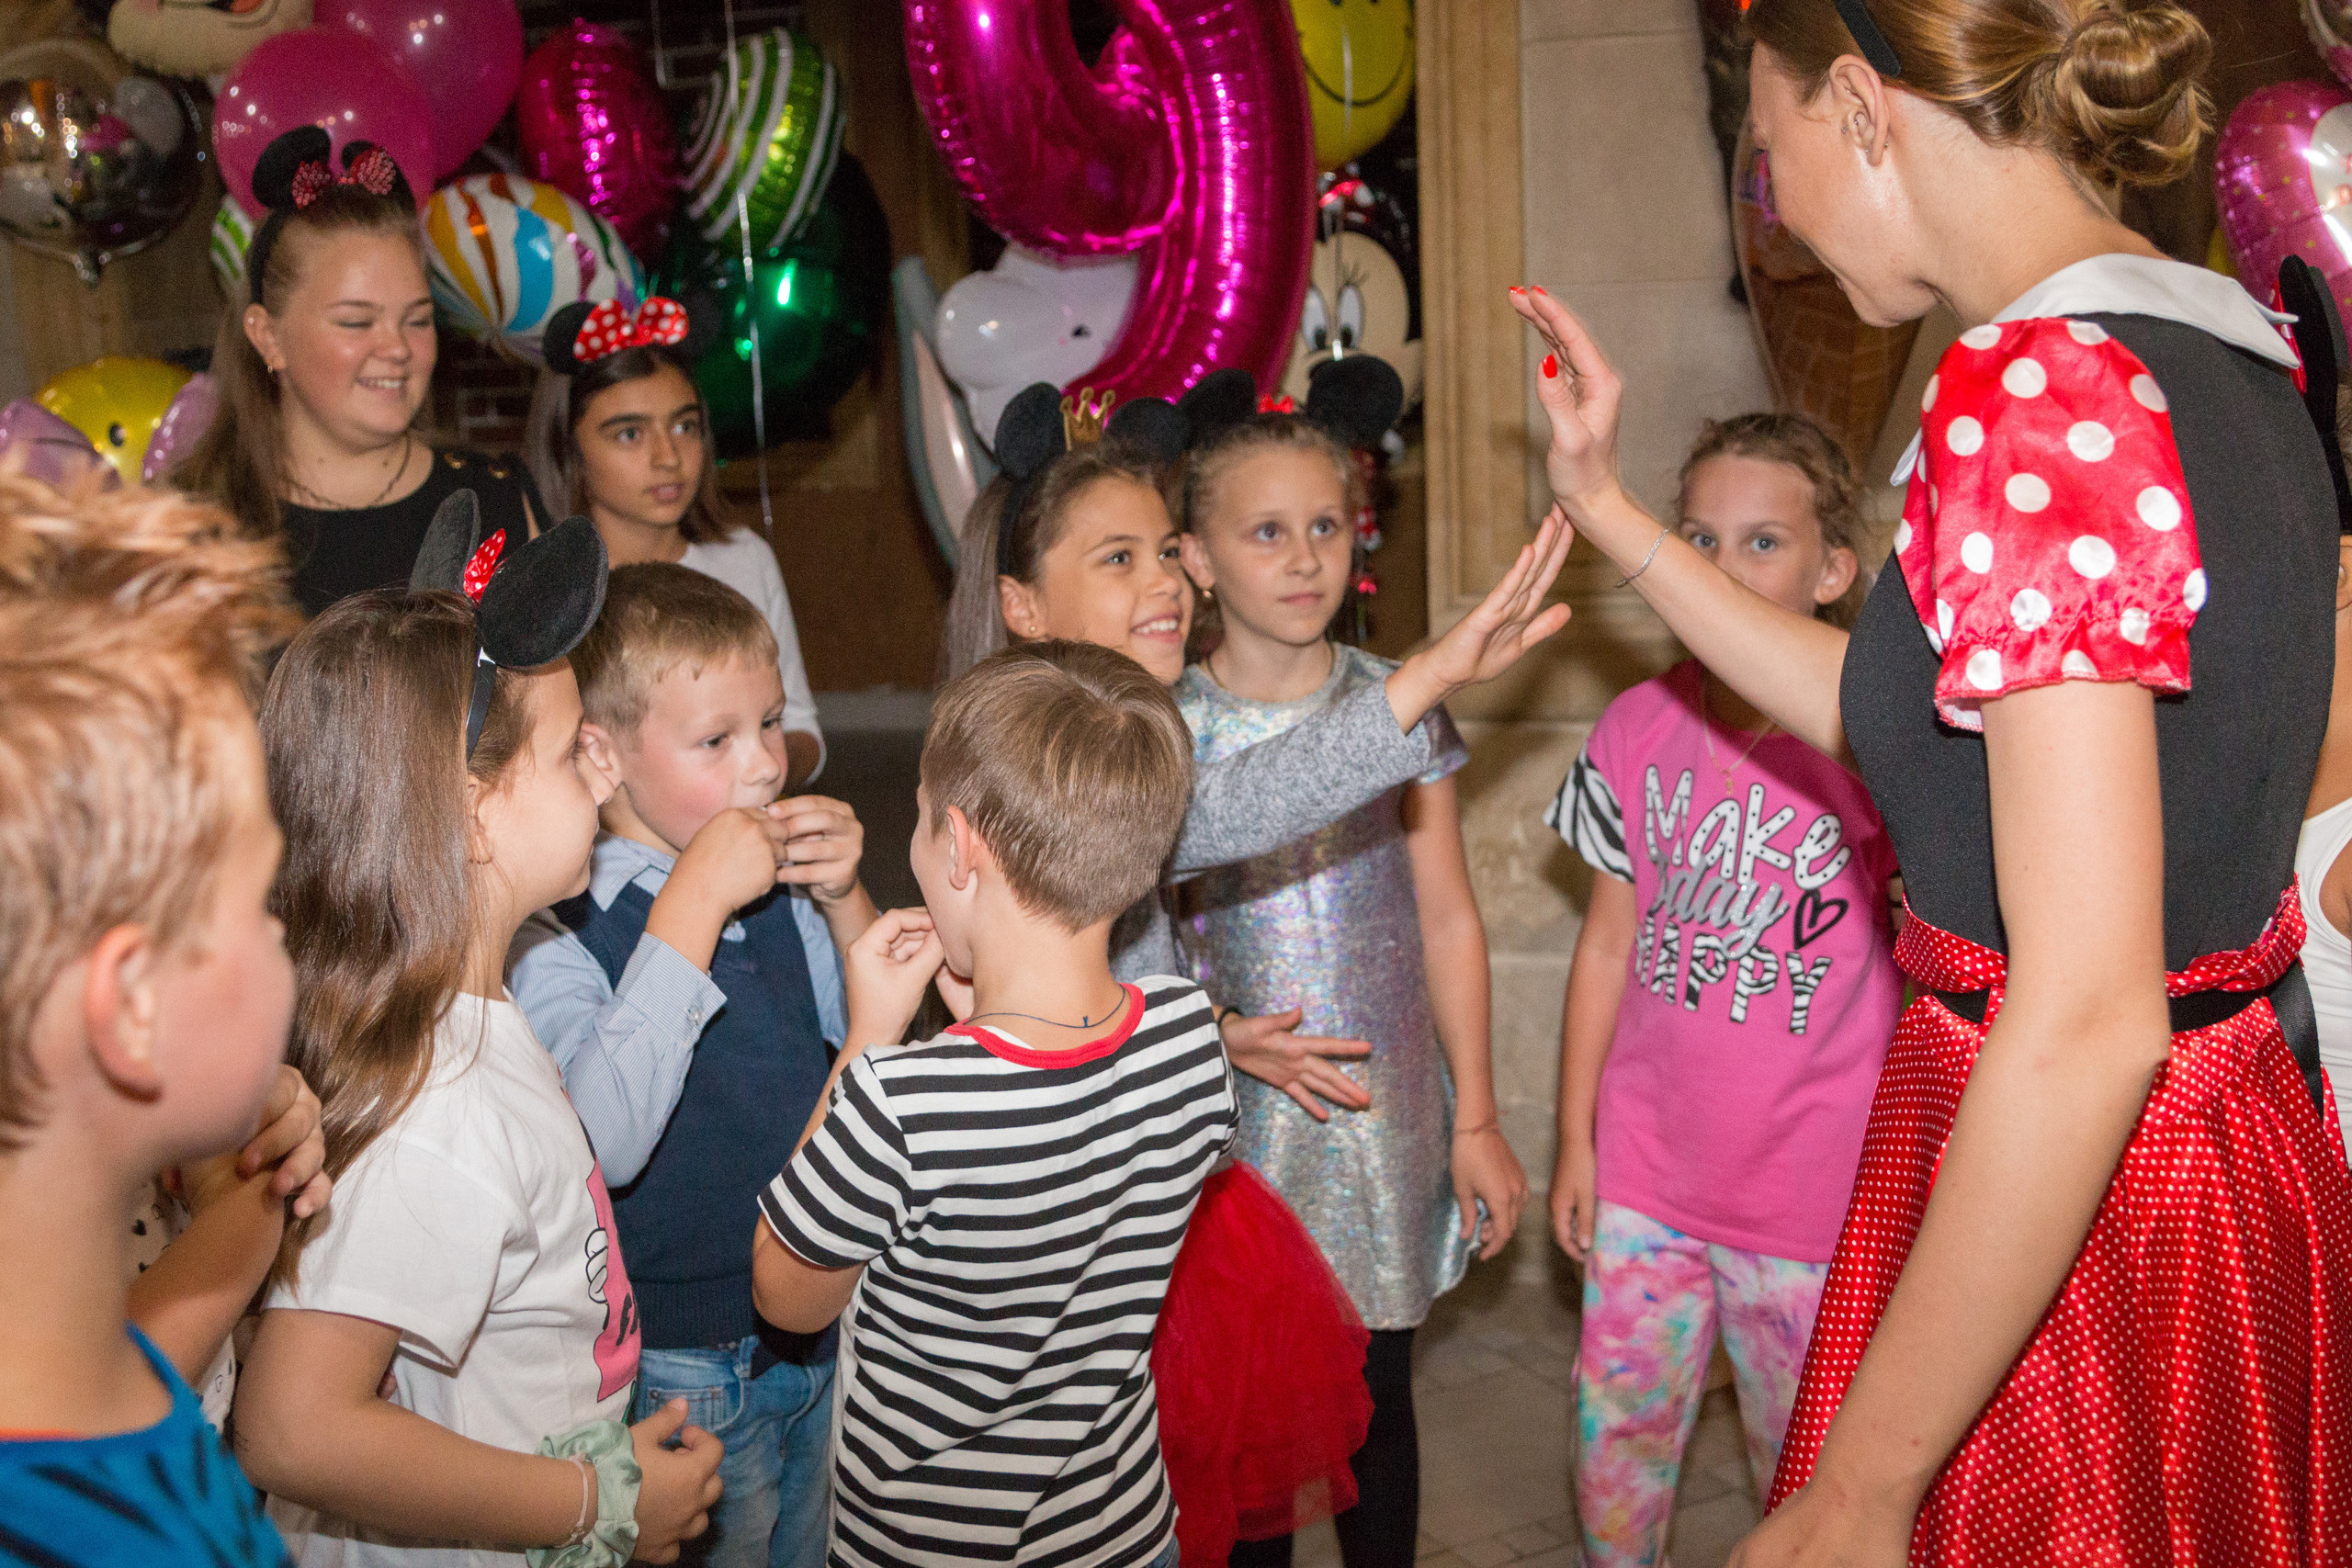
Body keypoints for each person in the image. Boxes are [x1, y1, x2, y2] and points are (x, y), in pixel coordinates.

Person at [1511, 0, 2352, 1559]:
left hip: (2074, 1185)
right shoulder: (2236, 348)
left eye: (1767, 155)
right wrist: (1612, 515)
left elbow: (2084, 1013)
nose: (1776, 214)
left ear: (1859, 103)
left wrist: (1862, 1486)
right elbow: (1912, 721)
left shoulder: (2039, 390)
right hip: (2216, 1141)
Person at [232, 516, 725, 1565]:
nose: (603, 775)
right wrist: (596, 1502)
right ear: (469, 816)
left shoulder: (473, 1021)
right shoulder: (435, 1109)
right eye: (572, 749)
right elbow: (292, 1427)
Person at [752, 639, 1233, 1568]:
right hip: (1122, 1532)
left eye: (921, 818)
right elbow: (1070, 1145)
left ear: (962, 847)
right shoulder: (1189, 1036)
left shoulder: (901, 1100)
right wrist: (982, 1025)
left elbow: (787, 1292)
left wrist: (867, 1036)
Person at [1168, 369, 1531, 1568]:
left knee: (1379, 1390)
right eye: (1266, 531)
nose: (1304, 557)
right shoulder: (1168, 730)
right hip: (1238, 1116)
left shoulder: (1395, 702)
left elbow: (1447, 917)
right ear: (1197, 558)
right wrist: (1208, 1031)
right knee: (1250, 1408)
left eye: (1325, 524)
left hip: (1385, 1110)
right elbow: (1139, 942)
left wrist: (1476, 1117)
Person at [1543, 414, 1900, 1564]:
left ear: (1832, 571)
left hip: (1810, 1200)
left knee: (1801, 1473)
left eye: (1762, 542)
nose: (1722, 565)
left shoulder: (1875, 746)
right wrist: (1575, 1141)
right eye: (1698, 537)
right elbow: (1606, 948)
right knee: (1615, 1450)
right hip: (1647, 1176)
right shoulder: (1634, 729)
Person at [509, 562, 876, 1568]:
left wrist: (844, 896)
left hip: (820, 1317)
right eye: (717, 741)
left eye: (771, 723)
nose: (764, 767)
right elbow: (607, 1141)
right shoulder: (559, 931)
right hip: (681, 1360)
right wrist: (698, 900)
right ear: (603, 754)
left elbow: (874, 1044)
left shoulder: (782, 889)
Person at [0, 469, 302, 1562]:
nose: (281, 936)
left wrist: (254, 1185)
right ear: (130, 1008)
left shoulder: (82, 1373)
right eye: (258, 900)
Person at [175, 126, 544, 616]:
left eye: (417, 320)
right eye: (356, 322)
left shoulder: (495, 501)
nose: (397, 348)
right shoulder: (187, 532)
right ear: (268, 337)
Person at [524, 298, 825, 787]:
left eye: (685, 426)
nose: (668, 457)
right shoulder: (542, 587)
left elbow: (802, 727)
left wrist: (746, 769)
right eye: (629, 434)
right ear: (568, 448)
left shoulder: (744, 558)